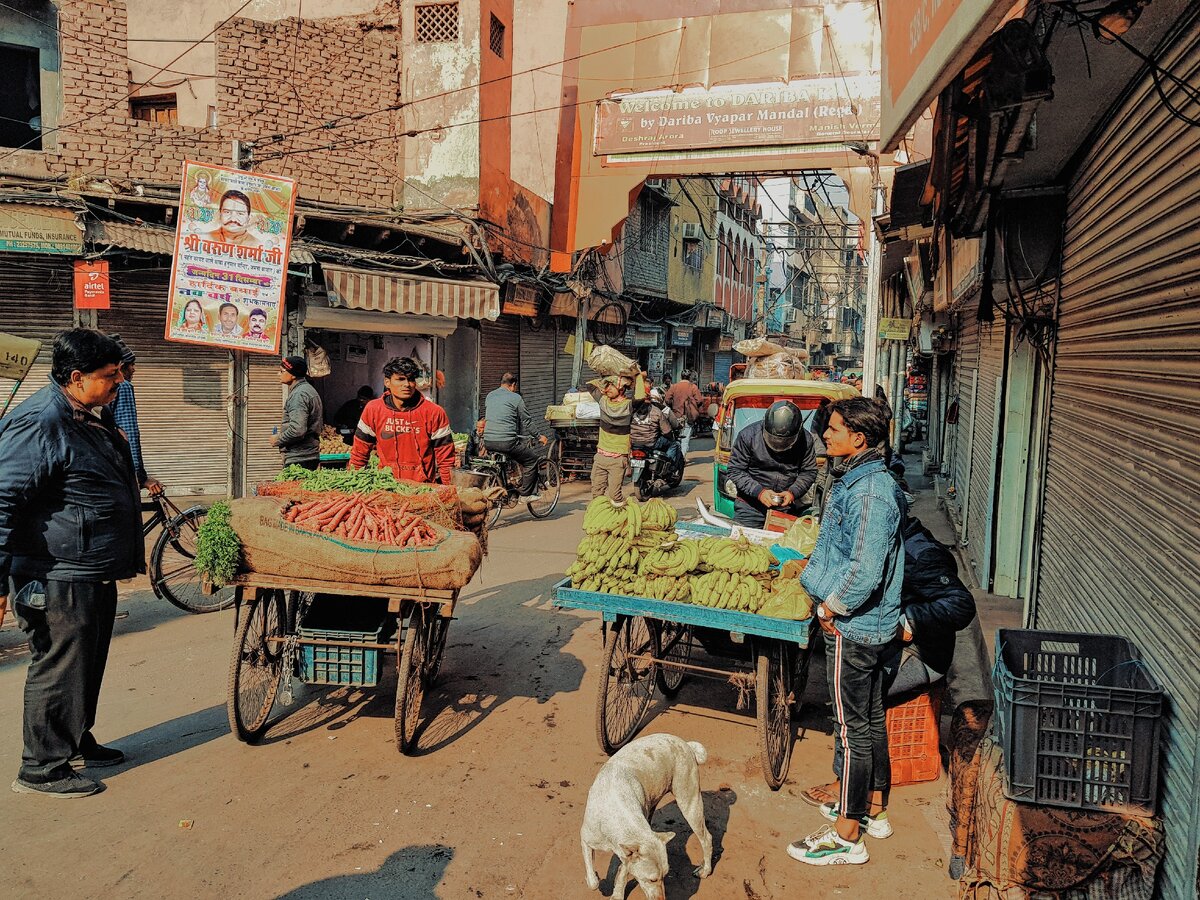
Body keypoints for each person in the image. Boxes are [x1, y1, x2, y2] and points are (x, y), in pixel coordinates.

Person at [0, 329, 145, 798]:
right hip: (57, 570)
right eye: (110, 375)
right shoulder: (41, 421)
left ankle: (75, 739)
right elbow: (2, 499)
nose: (119, 381)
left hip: (90, 566)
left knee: (86, 661)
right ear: (77, 377)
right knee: (60, 664)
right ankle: (41, 767)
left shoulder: (86, 413)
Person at [788, 397, 904, 867]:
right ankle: (873, 810)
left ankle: (846, 834)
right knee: (871, 719)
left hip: (856, 626)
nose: (826, 435)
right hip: (869, 625)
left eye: (834, 429)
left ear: (859, 439)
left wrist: (832, 607)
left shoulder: (871, 493)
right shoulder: (859, 481)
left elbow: (865, 569)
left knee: (852, 728)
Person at [349, 356, 455, 484]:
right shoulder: (373, 409)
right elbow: (359, 454)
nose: (407, 384)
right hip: (386, 486)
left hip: (423, 489)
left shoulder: (434, 412)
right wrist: (354, 485)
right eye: (400, 379)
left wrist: (450, 490)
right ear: (387, 382)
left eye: (411, 379)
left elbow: (446, 460)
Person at [726, 400, 818, 528]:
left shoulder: (806, 440)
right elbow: (735, 470)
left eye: (785, 441)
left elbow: (809, 472)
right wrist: (759, 492)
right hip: (750, 507)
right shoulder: (748, 436)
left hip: (784, 507)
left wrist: (792, 493)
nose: (779, 445)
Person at [107, 335, 163, 495]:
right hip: (121, 470)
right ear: (121, 367)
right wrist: (140, 475)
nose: (134, 369)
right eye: (131, 364)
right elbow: (129, 433)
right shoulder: (122, 386)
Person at [483, 373, 547, 496]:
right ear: (513, 385)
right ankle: (525, 495)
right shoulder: (516, 398)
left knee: (505, 461)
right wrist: (539, 436)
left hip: (488, 441)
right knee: (532, 460)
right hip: (506, 442)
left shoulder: (490, 396)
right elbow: (527, 421)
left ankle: (506, 489)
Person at [587, 372, 646, 502]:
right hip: (601, 456)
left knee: (615, 495)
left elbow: (641, 397)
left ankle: (626, 516)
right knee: (597, 494)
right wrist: (607, 378)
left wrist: (638, 377)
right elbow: (590, 386)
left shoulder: (628, 406)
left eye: (611, 386)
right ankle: (601, 519)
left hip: (618, 458)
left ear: (621, 388)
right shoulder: (603, 401)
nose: (607, 389)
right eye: (606, 387)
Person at [272, 355, 323, 470]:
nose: (278, 374)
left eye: (281, 371)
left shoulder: (299, 395)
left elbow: (298, 430)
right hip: (309, 455)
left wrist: (278, 439)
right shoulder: (309, 390)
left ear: (293, 374)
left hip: (299, 458)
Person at [664, 369, 703, 455]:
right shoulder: (693, 387)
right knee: (685, 440)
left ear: (681, 377)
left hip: (675, 416)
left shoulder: (674, 387)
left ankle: (675, 457)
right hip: (688, 417)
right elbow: (699, 401)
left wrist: (674, 404)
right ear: (689, 377)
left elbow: (667, 400)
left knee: (675, 439)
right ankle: (681, 459)